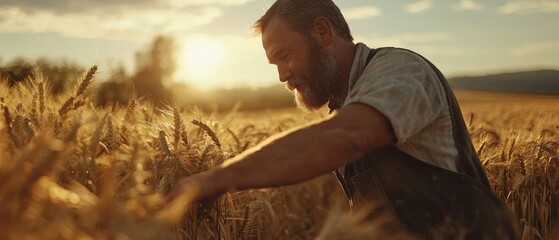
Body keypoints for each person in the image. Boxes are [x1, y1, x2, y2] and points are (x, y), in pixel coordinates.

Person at [167, 0, 520, 238]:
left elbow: (347, 136)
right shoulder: (345, 104)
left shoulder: (400, 70)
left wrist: (216, 179)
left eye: (284, 56)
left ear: (322, 33)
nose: (282, 76)